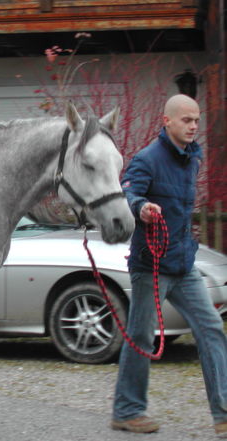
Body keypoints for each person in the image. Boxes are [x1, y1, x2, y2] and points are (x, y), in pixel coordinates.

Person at [111, 94, 227, 437]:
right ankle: (127, 411)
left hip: (183, 264)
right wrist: (142, 207)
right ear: (167, 121)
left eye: (196, 120)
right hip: (151, 264)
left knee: (211, 330)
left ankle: (223, 416)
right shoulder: (148, 159)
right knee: (142, 336)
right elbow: (127, 193)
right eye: (186, 120)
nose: (193, 126)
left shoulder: (192, 158)